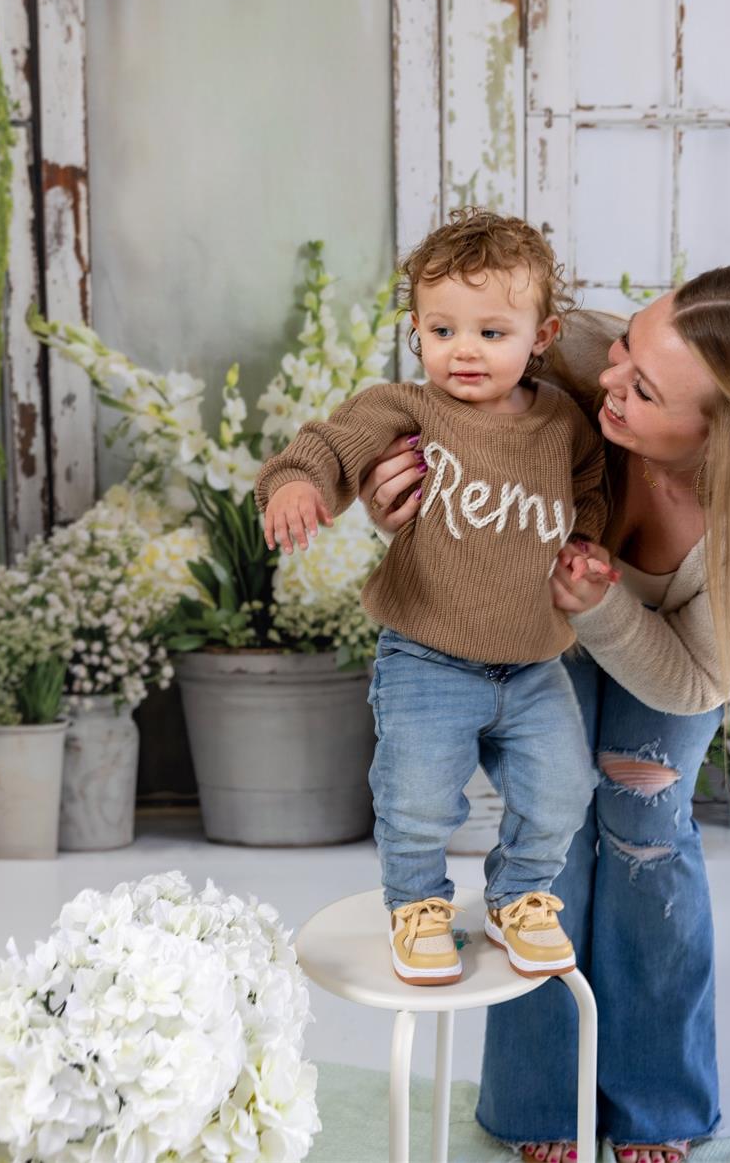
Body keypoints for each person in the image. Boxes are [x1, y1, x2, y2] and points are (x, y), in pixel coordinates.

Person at [358, 265, 730, 1162]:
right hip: (541, 617)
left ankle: (657, 1101)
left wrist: (599, 603)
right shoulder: (576, 356)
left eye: (644, 389)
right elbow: (431, 426)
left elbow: (694, 678)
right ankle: (536, 1097)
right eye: (627, 348)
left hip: (656, 648)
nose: (609, 386)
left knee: (645, 827)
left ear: (724, 437)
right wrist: (391, 496)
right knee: (549, 825)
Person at [255, 209, 611, 987]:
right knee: (415, 795)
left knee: (562, 787)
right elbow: (329, 443)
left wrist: (587, 539)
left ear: (541, 334)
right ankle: (417, 904)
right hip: (427, 655)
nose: (466, 351)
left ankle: (519, 895)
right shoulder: (408, 407)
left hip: (532, 664)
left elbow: (590, 488)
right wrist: (294, 483)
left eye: (492, 332)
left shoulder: (563, 422)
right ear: (416, 329)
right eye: (443, 330)